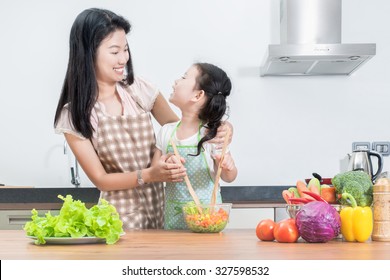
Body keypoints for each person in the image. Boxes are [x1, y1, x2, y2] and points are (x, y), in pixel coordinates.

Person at [54, 8, 232, 230]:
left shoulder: (139, 89)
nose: (123, 58)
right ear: (88, 52)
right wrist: (148, 175)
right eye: (114, 51)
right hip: (118, 221)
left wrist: (221, 128)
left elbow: (181, 129)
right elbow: (101, 179)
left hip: (160, 212)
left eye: (126, 49)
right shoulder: (74, 114)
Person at [153, 63, 238, 230]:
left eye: (184, 77)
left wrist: (228, 166)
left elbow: (229, 177)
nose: (176, 81)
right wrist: (166, 164)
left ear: (198, 95)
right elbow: (155, 171)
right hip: (174, 221)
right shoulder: (166, 132)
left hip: (210, 223)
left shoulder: (213, 135)